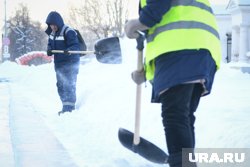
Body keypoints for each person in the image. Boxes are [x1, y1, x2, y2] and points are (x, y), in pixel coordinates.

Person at [125, 0, 221, 166]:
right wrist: (146, 73)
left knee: (175, 115)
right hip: (202, 48)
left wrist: (138, 22)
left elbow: (159, 10)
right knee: (184, 116)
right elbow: (164, 29)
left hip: (181, 48)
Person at [45, 11, 80, 114]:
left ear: (58, 23)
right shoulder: (52, 34)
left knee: (69, 85)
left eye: (54, 25)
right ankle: (65, 107)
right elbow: (50, 44)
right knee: (60, 86)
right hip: (59, 65)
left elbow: (75, 46)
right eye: (51, 25)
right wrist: (49, 49)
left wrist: (69, 50)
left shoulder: (69, 31)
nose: (53, 27)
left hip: (70, 64)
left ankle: (70, 109)